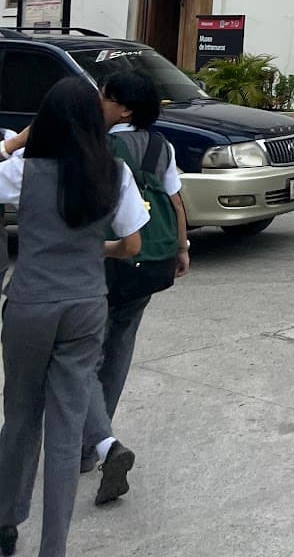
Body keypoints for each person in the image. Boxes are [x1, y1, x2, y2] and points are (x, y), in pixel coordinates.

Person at [0, 78, 147, 557]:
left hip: (31, 305)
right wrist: (92, 248)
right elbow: (131, 245)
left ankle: (6, 522)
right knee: (66, 432)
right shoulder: (115, 173)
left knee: (21, 417)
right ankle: (53, 548)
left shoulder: (25, 171)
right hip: (86, 305)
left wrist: (16, 140)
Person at [80, 68, 190, 482]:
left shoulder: (98, 146)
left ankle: (92, 444)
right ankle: (94, 441)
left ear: (124, 108)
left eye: (104, 96)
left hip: (106, 260)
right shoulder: (161, 146)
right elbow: (175, 202)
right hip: (150, 262)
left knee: (85, 355)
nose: (98, 102)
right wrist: (181, 249)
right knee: (119, 349)